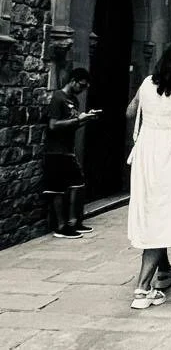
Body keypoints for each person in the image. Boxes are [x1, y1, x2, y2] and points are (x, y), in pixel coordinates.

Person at [126, 40, 171, 310]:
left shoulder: (146, 83)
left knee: (152, 208)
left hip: (148, 150)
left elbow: (130, 111)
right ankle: (143, 289)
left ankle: (165, 270)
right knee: (163, 213)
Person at [43, 68, 99, 238]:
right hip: (55, 150)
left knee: (77, 183)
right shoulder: (58, 97)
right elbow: (53, 125)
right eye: (81, 85)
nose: (82, 90)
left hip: (68, 149)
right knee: (58, 189)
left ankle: (73, 221)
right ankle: (61, 226)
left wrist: (86, 119)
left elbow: (73, 124)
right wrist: (78, 119)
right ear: (73, 80)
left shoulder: (73, 100)